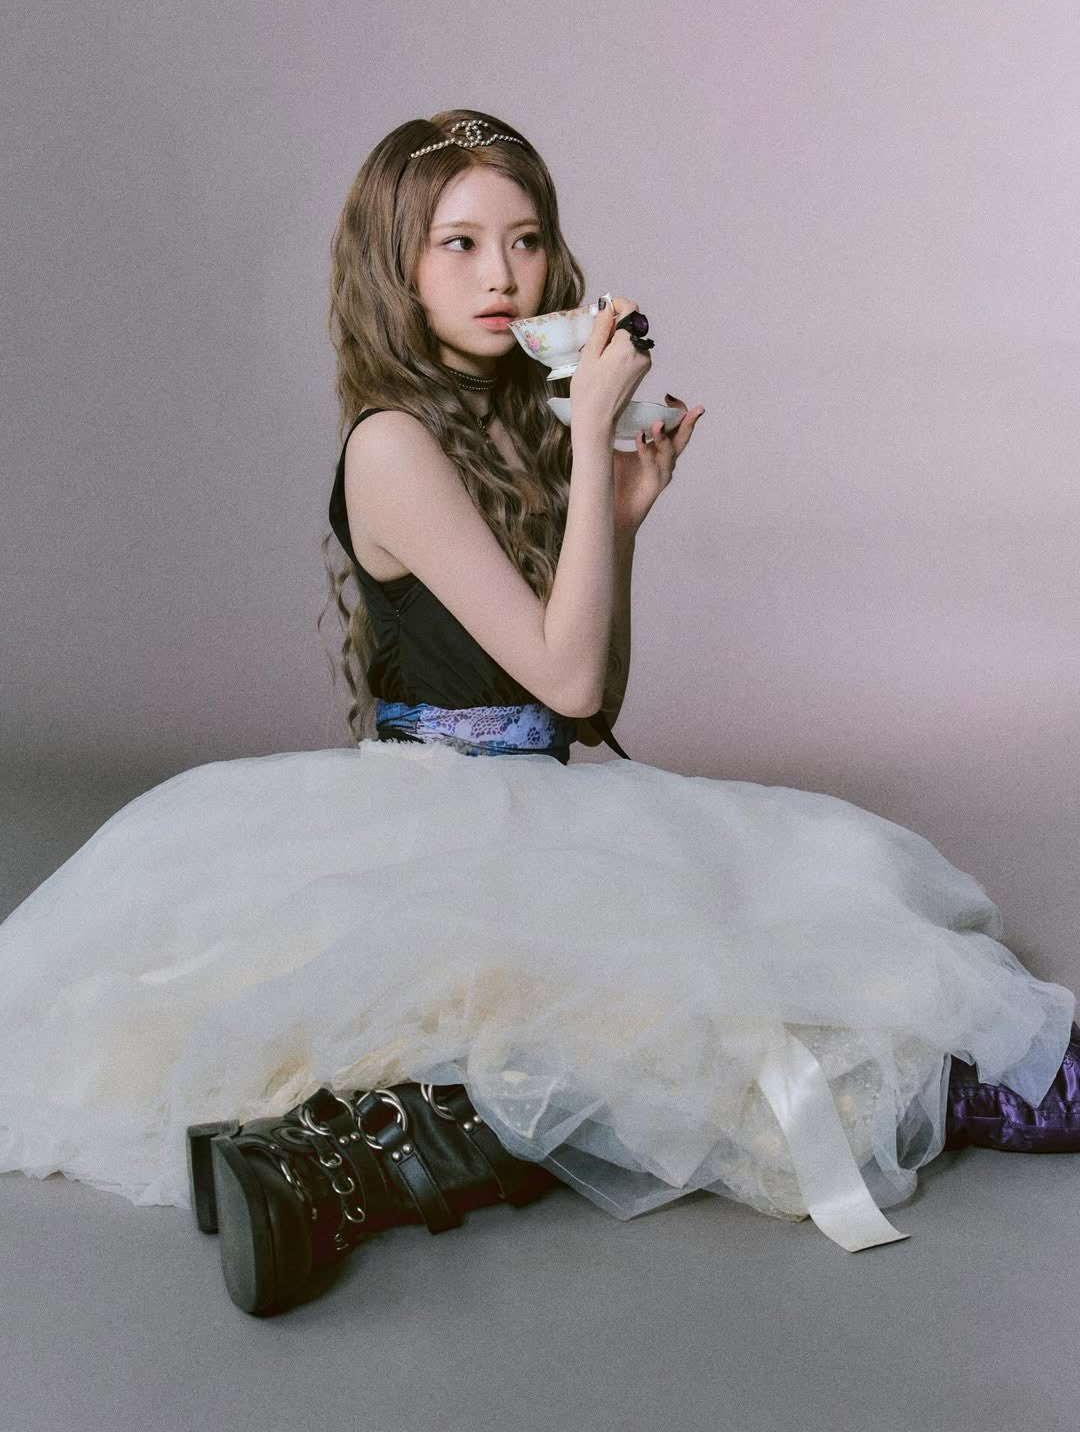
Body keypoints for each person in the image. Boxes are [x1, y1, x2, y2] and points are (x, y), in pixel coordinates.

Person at [1, 109, 1077, 1319]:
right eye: (458, 244)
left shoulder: (505, 424)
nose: (502, 276)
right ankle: (328, 1167)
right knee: (629, 1027)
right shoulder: (392, 443)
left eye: (524, 240)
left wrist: (616, 517)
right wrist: (592, 449)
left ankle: (326, 1161)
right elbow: (566, 683)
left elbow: (585, 705)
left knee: (756, 948)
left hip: (541, 800)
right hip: (436, 813)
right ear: (396, 268)